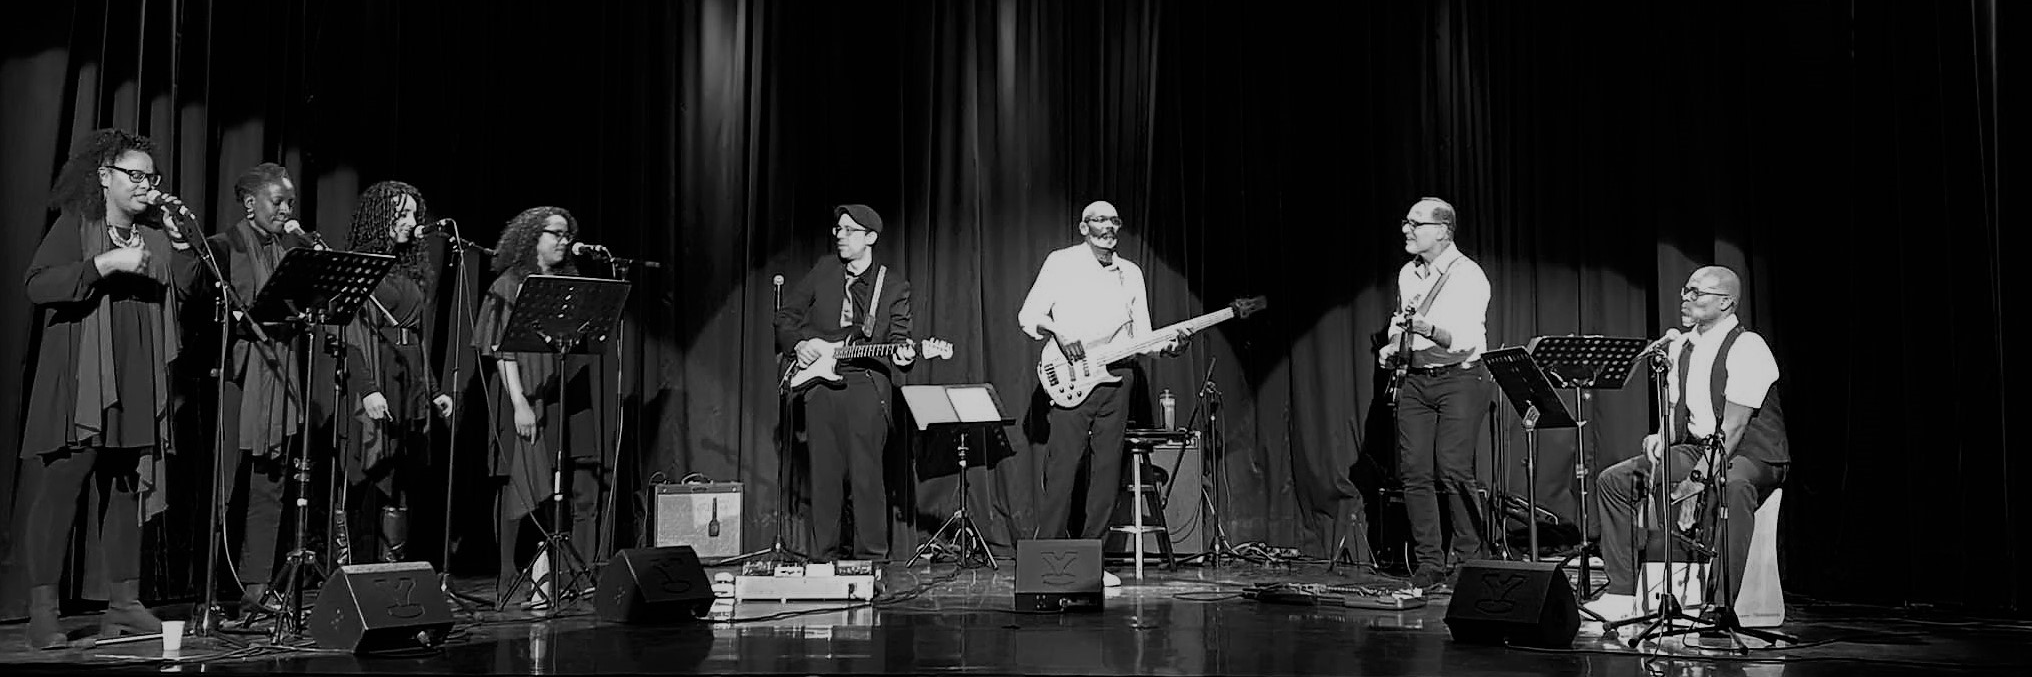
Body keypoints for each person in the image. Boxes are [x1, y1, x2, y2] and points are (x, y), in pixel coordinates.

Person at [12, 129, 199, 648]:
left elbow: (188, 288)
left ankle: (124, 602)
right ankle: (43, 612)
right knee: (60, 493)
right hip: (80, 384)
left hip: (137, 380)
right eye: (134, 176)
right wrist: (103, 265)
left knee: (124, 492)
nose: (145, 186)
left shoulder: (156, 234)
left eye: (150, 177)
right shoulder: (77, 225)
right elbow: (38, 284)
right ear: (103, 177)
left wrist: (181, 244)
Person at [1585, 266, 1788, 623]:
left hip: (1751, 451)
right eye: (1685, 290)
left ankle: (1721, 606)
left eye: (1697, 293)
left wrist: (1696, 480)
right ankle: (1621, 591)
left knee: (1733, 486)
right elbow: (1681, 411)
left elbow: (1735, 426)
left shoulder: (1747, 346)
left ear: (1725, 302)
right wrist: (1661, 438)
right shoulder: (1681, 347)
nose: (1686, 298)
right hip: (1699, 446)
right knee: (1615, 481)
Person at [1018, 200, 1186, 586]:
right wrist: (1059, 331)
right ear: (1083, 227)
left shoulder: (1131, 273)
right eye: (1099, 219)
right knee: (1062, 468)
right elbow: (1028, 315)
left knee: (1107, 471)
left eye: (1114, 220)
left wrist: (1169, 346)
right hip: (1072, 376)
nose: (1108, 226)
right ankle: (1048, 556)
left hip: (1118, 378)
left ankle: (1092, 559)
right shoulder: (1061, 262)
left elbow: (1142, 336)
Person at [472, 206, 608, 602]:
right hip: (521, 396)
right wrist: (519, 404)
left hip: (559, 395)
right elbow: (500, 350)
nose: (564, 242)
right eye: (557, 234)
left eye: (568, 235)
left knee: (562, 484)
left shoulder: (569, 282)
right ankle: (506, 575)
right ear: (533, 236)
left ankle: (552, 572)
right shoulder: (509, 283)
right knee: (519, 484)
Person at [203, 162, 319, 616]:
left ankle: (256, 586)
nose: (287, 209)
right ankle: (209, 591)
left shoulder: (290, 251)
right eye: (279, 201)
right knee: (225, 485)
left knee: (270, 484)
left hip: (281, 373)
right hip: (236, 379)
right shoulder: (222, 247)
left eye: (291, 202)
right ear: (251, 203)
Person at [773, 204, 915, 562]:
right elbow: (786, 316)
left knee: (866, 477)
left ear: (870, 238)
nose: (840, 235)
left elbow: (901, 338)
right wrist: (799, 344)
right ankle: (824, 559)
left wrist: (906, 354)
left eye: (849, 230)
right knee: (824, 478)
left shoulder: (893, 285)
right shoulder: (824, 271)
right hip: (820, 384)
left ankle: (872, 560)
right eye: (838, 229)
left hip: (865, 384)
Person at [1375, 196, 1491, 595]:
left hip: (1460, 379)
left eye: (1415, 223)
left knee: (1454, 469)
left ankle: (1470, 559)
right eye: (1406, 222)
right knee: (1414, 472)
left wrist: (1427, 329)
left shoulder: (1468, 275)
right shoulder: (1409, 273)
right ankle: (1429, 563)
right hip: (1416, 379)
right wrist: (1393, 343)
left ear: (1442, 230)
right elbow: (1399, 320)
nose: (1406, 229)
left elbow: (1464, 341)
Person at [338, 181, 454, 564]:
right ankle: (358, 570)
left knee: (402, 480)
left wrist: (433, 388)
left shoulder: (410, 269)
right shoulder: (360, 267)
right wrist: (368, 388)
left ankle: (393, 572)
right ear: (379, 218)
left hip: (408, 379)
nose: (410, 222)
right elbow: (349, 337)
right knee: (370, 476)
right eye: (401, 214)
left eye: (412, 214)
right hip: (375, 374)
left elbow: (418, 335)